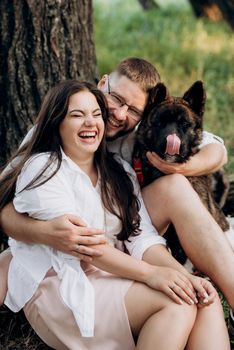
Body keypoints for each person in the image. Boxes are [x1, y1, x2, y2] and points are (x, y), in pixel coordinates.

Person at [0, 80, 230, 350]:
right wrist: (152, 274)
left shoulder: (119, 170)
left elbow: (142, 237)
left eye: (96, 115)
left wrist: (182, 277)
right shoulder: (44, 168)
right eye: (77, 115)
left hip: (107, 275)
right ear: (56, 123)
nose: (91, 122)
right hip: (62, 285)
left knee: (203, 297)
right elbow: (86, 247)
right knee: (177, 305)